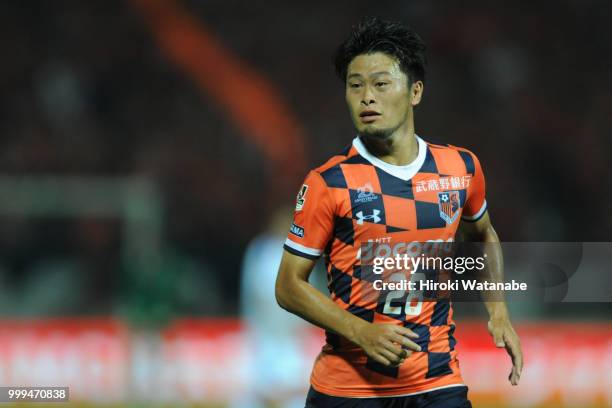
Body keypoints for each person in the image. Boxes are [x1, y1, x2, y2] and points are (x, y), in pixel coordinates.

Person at [275, 17, 523, 407]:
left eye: (380, 83)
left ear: (415, 92)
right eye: (355, 85)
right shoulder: (329, 183)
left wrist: (499, 310)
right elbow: (288, 286)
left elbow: (483, 235)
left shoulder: (460, 168)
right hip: (349, 389)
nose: (366, 97)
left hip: (436, 379)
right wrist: (362, 332)